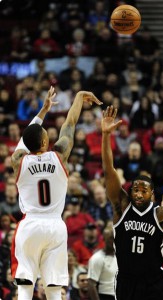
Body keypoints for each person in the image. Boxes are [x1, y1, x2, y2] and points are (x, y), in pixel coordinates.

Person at [10, 86, 102, 300]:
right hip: (55, 226)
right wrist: (78, 97)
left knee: (25, 284)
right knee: (53, 286)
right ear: (45, 142)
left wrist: (41, 114)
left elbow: (23, 141)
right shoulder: (59, 156)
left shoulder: (19, 160)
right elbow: (69, 125)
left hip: (30, 225)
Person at [101, 105, 163, 300]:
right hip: (127, 280)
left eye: (143, 191)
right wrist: (105, 136)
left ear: (152, 195)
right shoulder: (121, 206)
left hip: (155, 280)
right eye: (135, 189)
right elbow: (109, 170)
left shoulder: (162, 213)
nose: (138, 193)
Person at [88, 227, 117, 300]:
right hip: (105, 295)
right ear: (104, 239)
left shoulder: (121, 257)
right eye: (111, 238)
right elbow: (91, 285)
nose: (113, 241)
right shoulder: (97, 258)